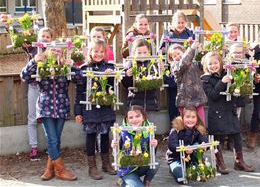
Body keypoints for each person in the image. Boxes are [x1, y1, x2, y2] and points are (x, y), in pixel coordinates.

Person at [21, 29, 79, 181]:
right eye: (51, 48)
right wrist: (34, 61)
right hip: (45, 105)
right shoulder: (40, 60)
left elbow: (80, 79)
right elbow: (24, 76)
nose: (54, 51)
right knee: (52, 139)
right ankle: (60, 170)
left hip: (61, 105)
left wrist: (72, 65)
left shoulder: (64, 62)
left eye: (56, 48)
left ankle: (49, 169)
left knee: (56, 140)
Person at [201, 52, 255, 174]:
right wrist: (222, 82)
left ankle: (239, 162)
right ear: (206, 66)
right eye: (210, 64)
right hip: (216, 113)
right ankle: (219, 163)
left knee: (236, 136)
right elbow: (213, 95)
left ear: (220, 63)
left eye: (216, 63)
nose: (213, 66)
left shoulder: (228, 74)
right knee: (218, 138)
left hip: (230, 109)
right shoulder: (206, 80)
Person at [74, 40, 117, 179]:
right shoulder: (84, 69)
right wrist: (78, 111)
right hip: (89, 108)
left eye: (101, 52)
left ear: (105, 53)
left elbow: (113, 86)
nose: (98, 54)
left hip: (105, 107)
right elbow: (79, 91)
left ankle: (106, 163)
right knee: (91, 136)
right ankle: (92, 167)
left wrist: (111, 75)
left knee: (105, 135)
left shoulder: (110, 67)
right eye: (96, 51)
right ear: (90, 52)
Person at [112, 105, 159, 187]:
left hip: (140, 165)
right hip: (127, 169)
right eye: (131, 117)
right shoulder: (122, 132)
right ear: (127, 119)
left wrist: (154, 146)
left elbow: (151, 155)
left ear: (143, 117)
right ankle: (125, 180)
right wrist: (114, 146)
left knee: (155, 163)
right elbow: (116, 154)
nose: (134, 119)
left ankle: (146, 181)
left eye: (138, 116)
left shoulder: (147, 132)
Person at [161, 10, 195, 122]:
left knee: (186, 100)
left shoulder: (190, 34)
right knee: (173, 99)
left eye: (182, 22)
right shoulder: (168, 34)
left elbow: (195, 50)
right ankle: (174, 124)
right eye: (178, 22)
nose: (180, 25)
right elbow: (161, 50)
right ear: (173, 23)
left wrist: (191, 44)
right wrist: (164, 49)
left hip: (186, 71)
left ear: (185, 23)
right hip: (173, 70)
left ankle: (187, 123)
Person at [26, 28, 53, 161]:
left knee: (48, 118)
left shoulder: (54, 52)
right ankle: (34, 147)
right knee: (32, 118)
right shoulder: (32, 51)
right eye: (42, 36)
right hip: (34, 86)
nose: (44, 38)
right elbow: (26, 72)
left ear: (51, 39)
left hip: (48, 89)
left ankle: (51, 146)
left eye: (47, 37)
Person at [169, 40, 207, 125]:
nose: (177, 56)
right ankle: (186, 138)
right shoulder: (175, 66)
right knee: (187, 123)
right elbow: (184, 63)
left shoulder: (194, 63)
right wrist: (191, 48)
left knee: (201, 123)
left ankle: (201, 137)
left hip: (198, 98)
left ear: (184, 52)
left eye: (179, 53)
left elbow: (204, 63)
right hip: (185, 101)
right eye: (174, 56)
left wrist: (202, 50)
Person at [122, 39, 162, 120]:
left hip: (151, 103)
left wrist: (161, 72)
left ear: (149, 52)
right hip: (134, 102)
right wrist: (127, 75)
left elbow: (159, 82)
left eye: (145, 52)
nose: (142, 55)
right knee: (136, 126)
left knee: (150, 127)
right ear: (133, 53)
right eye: (139, 53)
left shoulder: (153, 64)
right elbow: (125, 85)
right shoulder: (130, 63)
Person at [166, 107, 208, 183]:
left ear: (197, 118)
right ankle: (174, 169)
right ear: (182, 117)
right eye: (187, 117)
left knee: (203, 174)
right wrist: (184, 149)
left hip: (191, 159)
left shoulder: (198, 129)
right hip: (176, 159)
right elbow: (172, 145)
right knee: (183, 178)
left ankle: (195, 165)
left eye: (193, 117)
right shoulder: (176, 129)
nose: (190, 120)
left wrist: (204, 144)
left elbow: (204, 139)